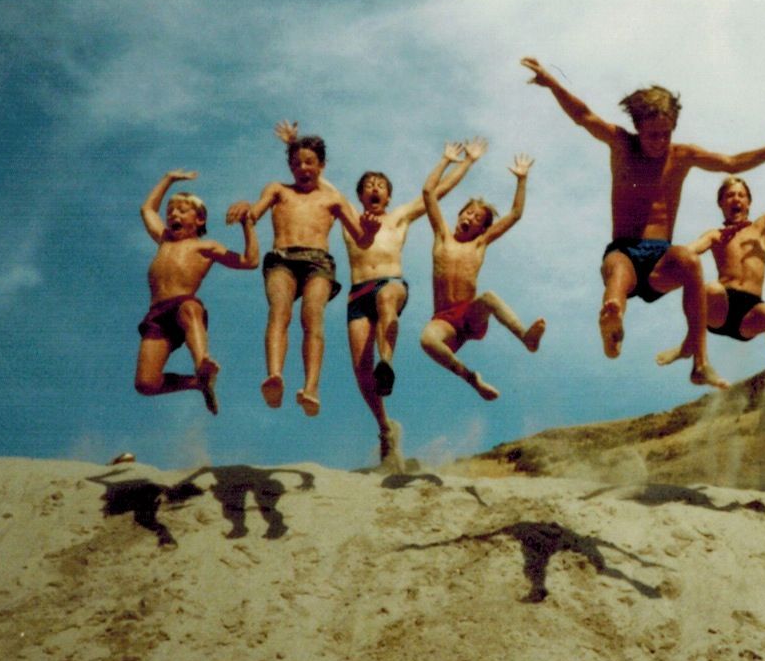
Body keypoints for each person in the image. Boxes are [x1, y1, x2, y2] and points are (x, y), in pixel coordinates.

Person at [522, 56, 765, 389]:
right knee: (617, 272)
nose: (659, 141)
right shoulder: (621, 144)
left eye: (665, 134)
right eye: (651, 135)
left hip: (661, 258)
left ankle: (700, 364)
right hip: (626, 250)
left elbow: (730, 161)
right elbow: (584, 116)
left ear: (673, 127)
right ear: (637, 128)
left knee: (689, 260)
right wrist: (552, 83)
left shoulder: (683, 155)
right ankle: (612, 318)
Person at [226, 121, 380, 417]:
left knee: (312, 317)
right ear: (290, 167)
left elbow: (362, 239)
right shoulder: (277, 189)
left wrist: (371, 230)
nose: (302, 168)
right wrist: (246, 207)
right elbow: (254, 214)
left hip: (318, 262)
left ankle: (311, 387)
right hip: (281, 259)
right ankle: (274, 375)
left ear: (321, 165)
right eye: (296, 163)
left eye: (309, 162)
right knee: (280, 310)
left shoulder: (332, 198)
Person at [344, 142, 485, 465]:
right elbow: (320, 196)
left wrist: (460, 162)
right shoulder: (349, 217)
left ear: (389, 197)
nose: (374, 189)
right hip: (356, 292)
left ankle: (387, 361)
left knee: (386, 297)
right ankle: (385, 430)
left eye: (380, 186)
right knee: (359, 370)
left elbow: (439, 191)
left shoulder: (400, 217)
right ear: (361, 196)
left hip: (391, 283)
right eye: (368, 186)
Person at [656, 148, 765, 398]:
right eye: (730, 195)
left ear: (749, 202)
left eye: (742, 195)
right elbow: (689, 252)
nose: (736, 199)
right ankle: (694, 351)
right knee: (710, 288)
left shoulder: (762, 227)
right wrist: (664, 256)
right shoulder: (715, 234)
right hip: (719, 308)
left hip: (750, 314)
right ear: (721, 203)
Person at [419, 141, 544, 401]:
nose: (470, 218)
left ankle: (526, 337)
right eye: (468, 213)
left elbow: (516, 214)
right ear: (459, 214)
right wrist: (451, 160)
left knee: (488, 297)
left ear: (482, 229)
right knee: (427, 341)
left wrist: (522, 179)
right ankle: (471, 378)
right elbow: (428, 192)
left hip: (469, 313)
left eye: (478, 219)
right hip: (444, 320)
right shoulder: (443, 236)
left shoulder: (479, 244)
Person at [136, 169, 258, 414]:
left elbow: (250, 261)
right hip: (157, 315)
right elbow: (147, 210)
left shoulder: (205, 246)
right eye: (170, 211)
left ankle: (201, 360)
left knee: (191, 307)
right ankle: (197, 383)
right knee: (146, 383)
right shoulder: (164, 239)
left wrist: (247, 225)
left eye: (182, 210)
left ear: (199, 220)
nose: (173, 215)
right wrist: (168, 179)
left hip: (183, 304)